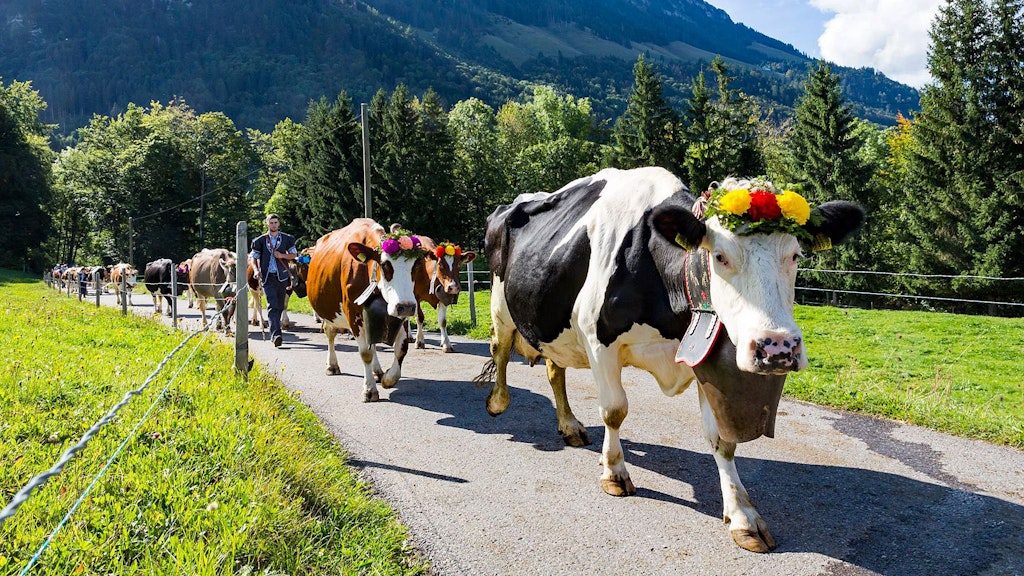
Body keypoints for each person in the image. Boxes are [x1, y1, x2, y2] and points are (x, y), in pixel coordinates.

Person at [248, 214, 297, 347]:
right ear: (267, 224)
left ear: (278, 224)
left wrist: (282, 255)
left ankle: (276, 330)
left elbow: (294, 254)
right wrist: (256, 270)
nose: (274, 225)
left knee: (280, 305)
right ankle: (276, 334)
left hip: (282, 276)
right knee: (272, 304)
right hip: (267, 277)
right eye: (271, 223)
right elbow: (253, 258)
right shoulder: (260, 241)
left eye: (276, 222)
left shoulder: (287, 239)